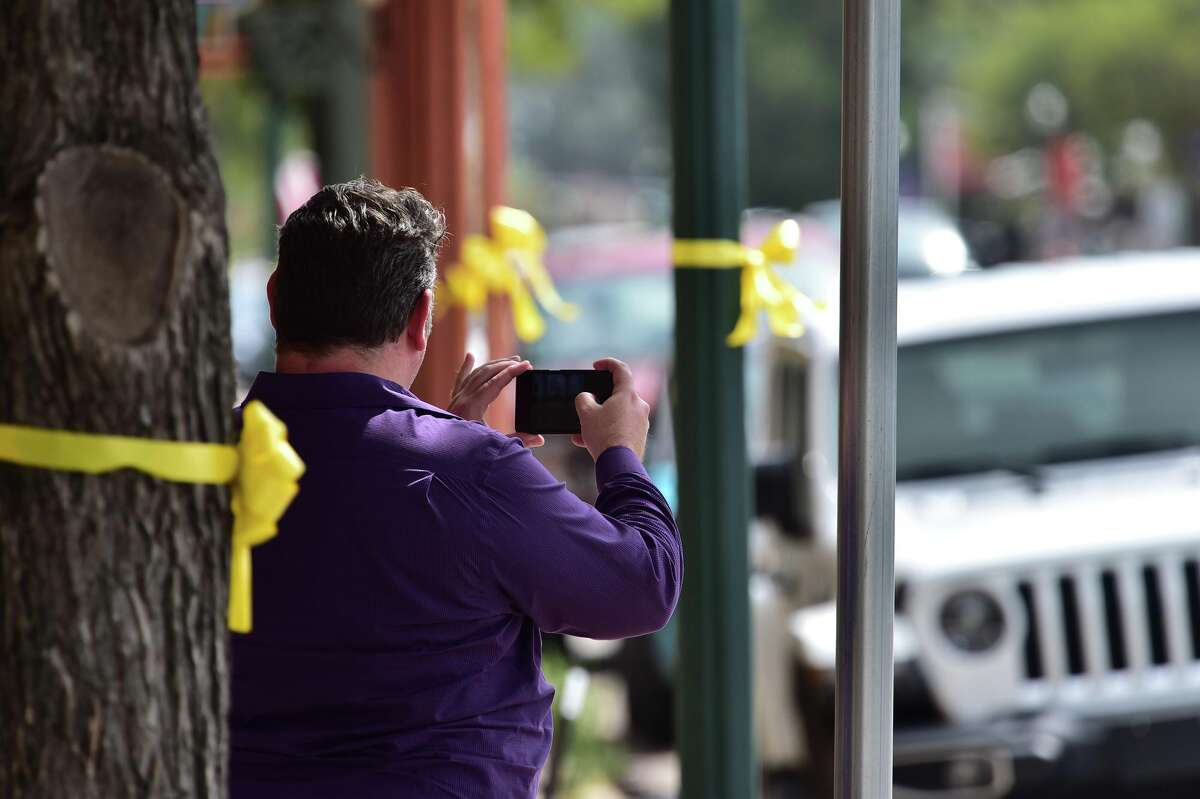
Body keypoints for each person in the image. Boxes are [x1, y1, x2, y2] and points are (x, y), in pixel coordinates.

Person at [230, 178, 682, 799]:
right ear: (420, 317)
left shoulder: (203, 460)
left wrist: (455, 442)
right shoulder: (466, 472)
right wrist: (621, 453)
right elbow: (641, 588)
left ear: (275, 301)